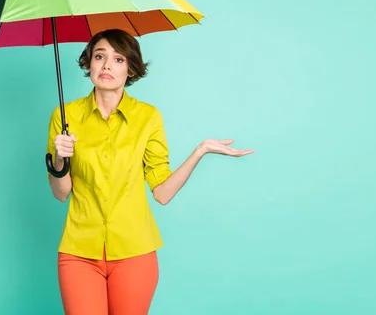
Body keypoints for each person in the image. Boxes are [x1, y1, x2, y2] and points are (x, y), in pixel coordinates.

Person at [46, 29, 254, 315]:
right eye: (99, 56)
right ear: (89, 63)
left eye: (118, 59)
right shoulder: (64, 117)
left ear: (130, 69)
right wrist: (60, 158)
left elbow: (163, 193)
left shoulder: (148, 118)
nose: (107, 65)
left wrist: (200, 151)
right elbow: (61, 193)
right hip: (79, 251)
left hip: (135, 252)